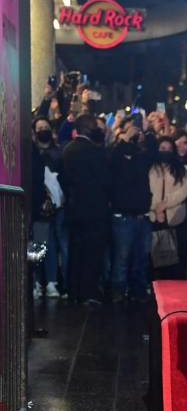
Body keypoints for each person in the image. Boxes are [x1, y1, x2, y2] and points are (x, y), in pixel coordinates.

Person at [60, 113, 111, 305]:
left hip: (74, 208)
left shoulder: (68, 150)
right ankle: (88, 291)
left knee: (75, 250)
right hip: (95, 210)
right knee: (92, 252)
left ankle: (74, 291)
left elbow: (63, 179)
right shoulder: (97, 152)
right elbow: (106, 181)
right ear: (91, 129)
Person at [109, 118, 153, 302]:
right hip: (123, 216)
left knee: (141, 257)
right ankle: (118, 290)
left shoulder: (141, 159)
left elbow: (154, 152)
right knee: (122, 257)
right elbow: (112, 159)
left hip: (142, 216)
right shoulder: (116, 158)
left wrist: (145, 138)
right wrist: (125, 139)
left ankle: (138, 290)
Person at [30, 116, 65, 299]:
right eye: (39, 127)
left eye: (46, 127)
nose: (43, 130)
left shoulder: (58, 153)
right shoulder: (32, 154)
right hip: (39, 208)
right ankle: (38, 282)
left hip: (57, 207)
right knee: (39, 245)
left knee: (52, 245)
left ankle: (51, 282)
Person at [148, 137, 187, 279]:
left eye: (169, 149)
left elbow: (183, 191)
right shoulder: (150, 168)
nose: (166, 152)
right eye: (163, 148)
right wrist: (156, 208)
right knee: (151, 255)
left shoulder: (179, 169)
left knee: (173, 257)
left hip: (174, 217)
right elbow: (147, 190)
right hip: (153, 217)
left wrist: (164, 205)